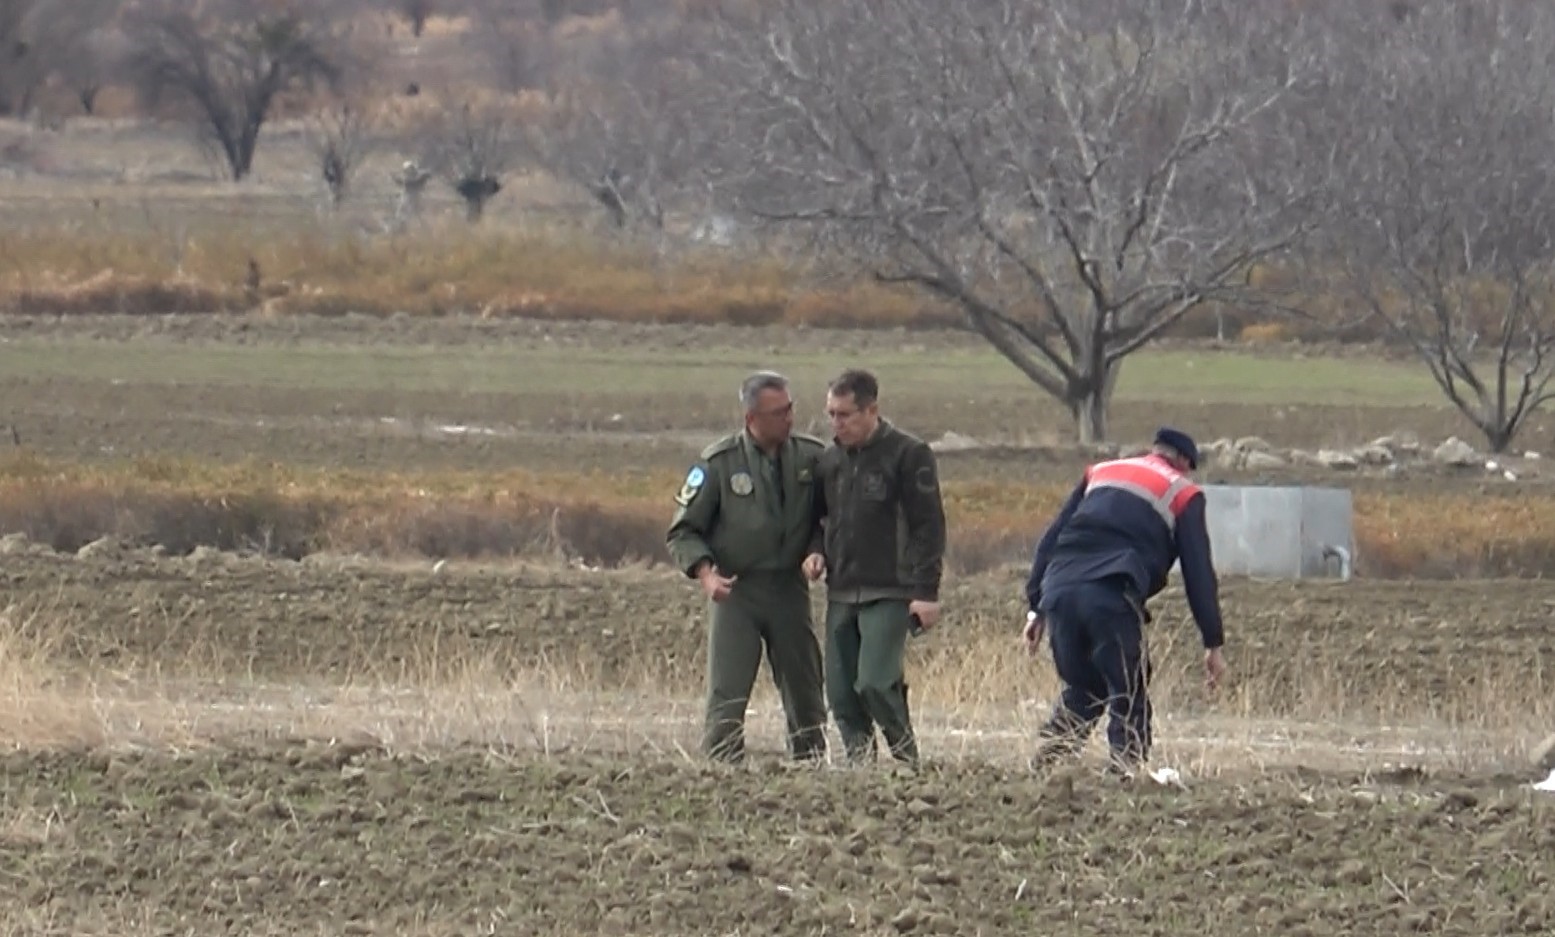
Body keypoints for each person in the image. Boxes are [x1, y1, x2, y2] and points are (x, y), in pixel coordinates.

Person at [1021, 426, 1228, 778]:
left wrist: (1036, 607)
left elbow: (1051, 538)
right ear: (1184, 463)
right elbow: (1198, 572)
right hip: (1111, 590)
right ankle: (1125, 771)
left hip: (1059, 587)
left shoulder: (1101, 472)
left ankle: (1050, 758)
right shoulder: (1184, 492)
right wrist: (1213, 642)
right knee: (1128, 685)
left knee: (1087, 682)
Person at [665, 371, 830, 764]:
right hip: (737, 589)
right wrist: (706, 574)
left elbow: (827, 518)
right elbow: (683, 531)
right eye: (778, 413)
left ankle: (810, 763)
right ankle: (723, 768)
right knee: (729, 688)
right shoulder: (718, 463)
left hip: (788, 588)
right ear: (751, 418)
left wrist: (816, 549)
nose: (789, 419)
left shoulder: (811, 457)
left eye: (790, 409)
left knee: (804, 686)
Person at [804, 368, 947, 765]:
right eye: (831, 414)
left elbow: (928, 526)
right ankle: (859, 766)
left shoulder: (908, 454)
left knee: (875, 682)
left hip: (891, 587)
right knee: (840, 691)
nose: (836, 423)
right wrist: (815, 551)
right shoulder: (829, 461)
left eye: (845, 415)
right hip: (843, 587)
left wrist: (925, 592)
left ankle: (905, 759)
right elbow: (818, 519)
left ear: (872, 411)